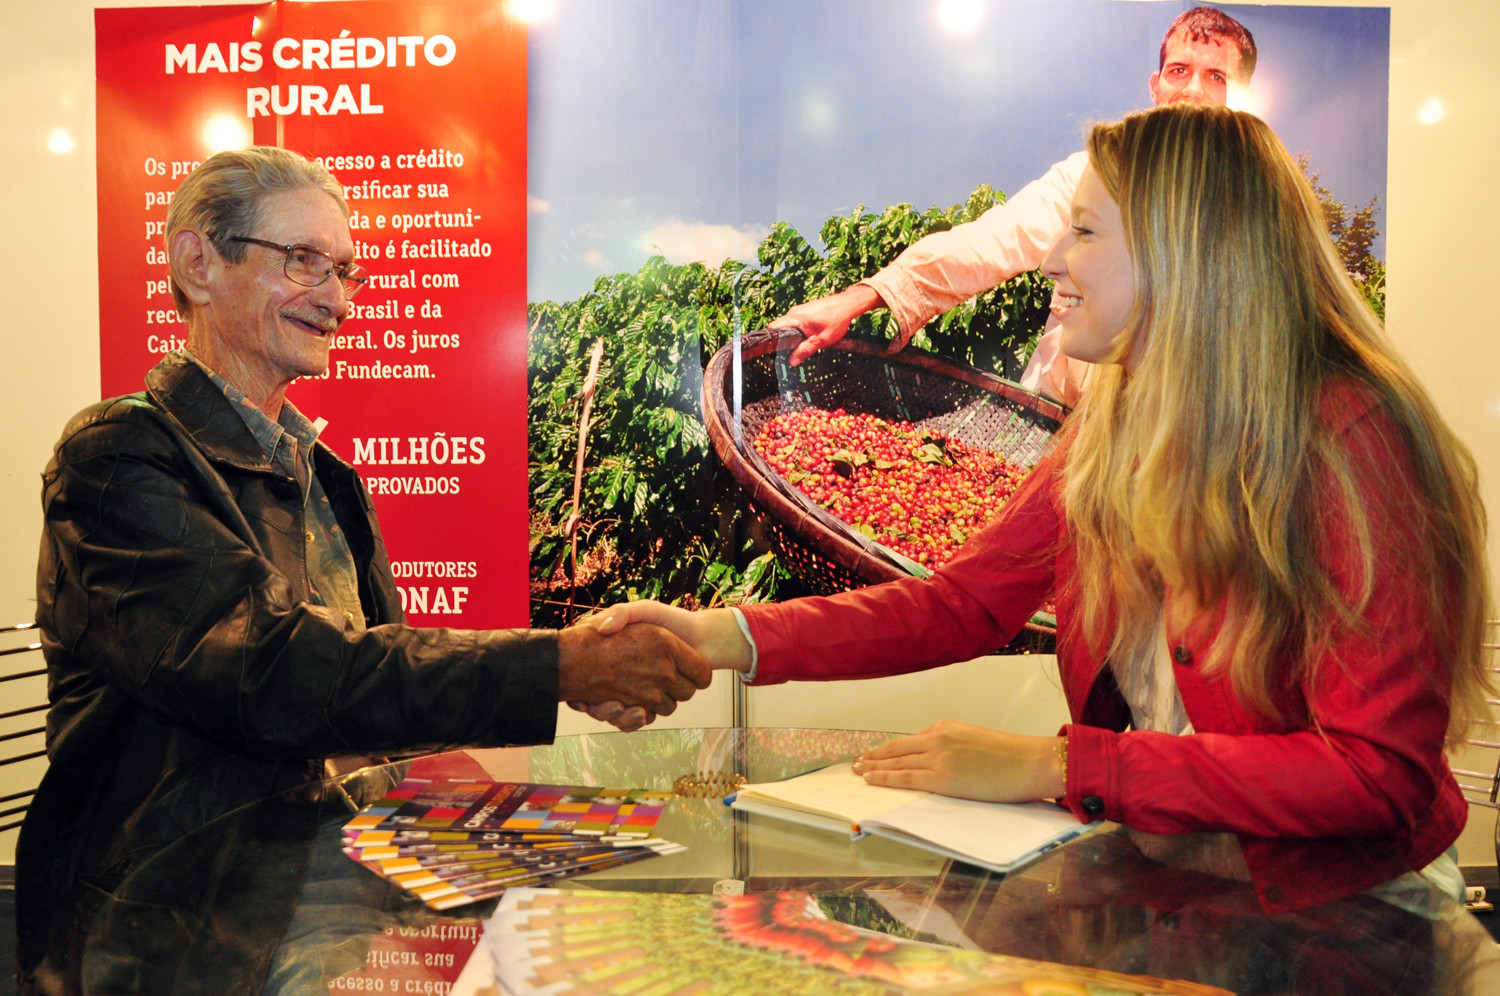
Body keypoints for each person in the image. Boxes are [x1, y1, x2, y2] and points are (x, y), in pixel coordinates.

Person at [595, 103, 1492, 915]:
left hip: (1347, 917)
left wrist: (1058, 766)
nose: (1055, 262)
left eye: (1086, 232)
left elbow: (1377, 775)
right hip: (1176, 891)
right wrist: (713, 637)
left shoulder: (1352, 436)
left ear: (1190, 250)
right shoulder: (1116, 422)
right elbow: (962, 603)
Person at [16, 147, 707, 994]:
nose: (337, 299)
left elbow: (371, 674)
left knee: (635, 923)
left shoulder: (323, 471)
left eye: (344, 271)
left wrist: (554, 697)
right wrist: (559, 665)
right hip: (178, 926)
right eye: (302, 261)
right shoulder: (118, 456)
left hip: (328, 874)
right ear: (199, 264)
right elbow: (271, 674)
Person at [770, 6, 1257, 407]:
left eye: (1215, 76)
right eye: (1179, 70)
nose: (1192, 90)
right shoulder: (1096, 173)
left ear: (1240, 100)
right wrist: (867, 296)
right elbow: (994, 241)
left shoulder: (1255, 215)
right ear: (1155, 88)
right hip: (1063, 420)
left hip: (1179, 443)